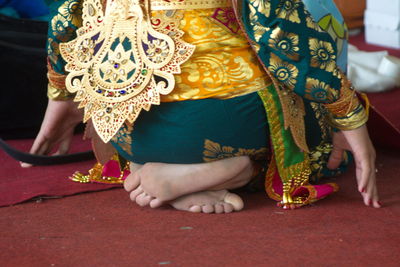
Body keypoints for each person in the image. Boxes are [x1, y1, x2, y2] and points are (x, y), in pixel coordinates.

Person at [22, 0, 380, 213]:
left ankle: (149, 166)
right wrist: (351, 119)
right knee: (306, 112)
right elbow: (294, 46)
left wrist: (61, 102)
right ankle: (239, 169)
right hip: (216, 127)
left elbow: (64, 21)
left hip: (121, 128)